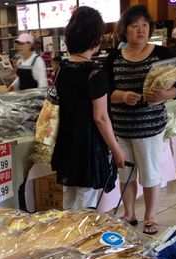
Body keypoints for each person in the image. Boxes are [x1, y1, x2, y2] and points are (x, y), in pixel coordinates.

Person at [105, 5, 176, 235]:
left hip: (149, 128)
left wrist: (166, 94)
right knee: (125, 173)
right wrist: (122, 96)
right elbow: (105, 91)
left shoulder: (162, 54)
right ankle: (129, 213)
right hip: (121, 128)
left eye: (144, 25)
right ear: (124, 30)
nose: (141, 30)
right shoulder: (113, 58)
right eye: (134, 25)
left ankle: (151, 215)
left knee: (150, 173)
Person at [52, 6, 125, 211]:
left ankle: (65, 232)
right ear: (95, 38)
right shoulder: (95, 73)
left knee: (69, 200)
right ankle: (81, 233)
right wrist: (116, 150)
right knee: (86, 206)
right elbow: (100, 118)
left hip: (66, 142)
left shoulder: (62, 69)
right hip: (88, 147)